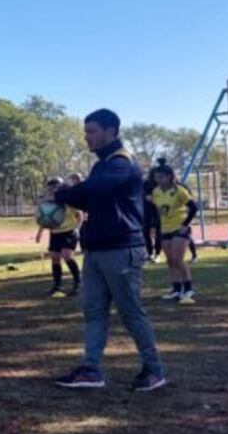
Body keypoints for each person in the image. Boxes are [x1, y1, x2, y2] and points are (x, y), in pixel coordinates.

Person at [53, 108, 167, 392]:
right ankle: (91, 370)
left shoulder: (121, 162)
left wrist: (62, 194)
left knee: (131, 312)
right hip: (96, 248)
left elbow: (93, 190)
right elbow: (91, 199)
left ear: (111, 131)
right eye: (85, 130)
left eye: (91, 131)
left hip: (121, 249)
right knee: (93, 311)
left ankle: (155, 370)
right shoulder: (101, 164)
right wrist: (68, 197)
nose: (86, 136)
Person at [151, 162, 199, 304]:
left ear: (169, 177)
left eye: (160, 177)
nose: (157, 180)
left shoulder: (179, 190)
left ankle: (188, 288)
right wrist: (154, 226)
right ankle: (176, 289)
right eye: (156, 177)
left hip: (179, 227)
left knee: (178, 260)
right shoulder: (156, 192)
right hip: (165, 229)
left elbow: (193, 207)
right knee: (170, 261)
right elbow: (158, 211)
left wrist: (185, 224)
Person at [35, 178, 83, 299]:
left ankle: (78, 283)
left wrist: (77, 228)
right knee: (55, 258)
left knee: (67, 256)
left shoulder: (68, 201)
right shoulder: (49, 203)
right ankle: (57, 286)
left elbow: (79, 215)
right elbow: (45, 218)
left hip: (69, 232)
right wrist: (39, 232)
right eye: (50, 188)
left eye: (54, 187)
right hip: (55, 233)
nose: (52, 190)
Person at [143, 166, 163, 263]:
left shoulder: (163, 184)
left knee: (159, 233)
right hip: (147, 211)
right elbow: (147, 197)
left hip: (159, 211)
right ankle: (149, 253)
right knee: (146, 232)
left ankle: (158, 254)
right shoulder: (146, 184)